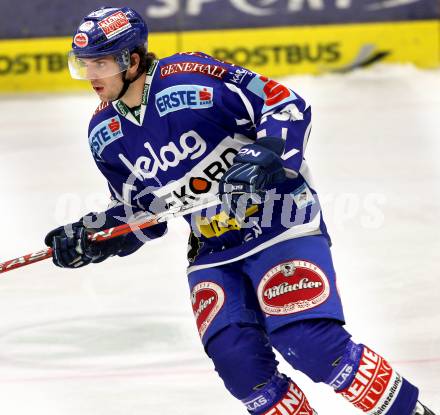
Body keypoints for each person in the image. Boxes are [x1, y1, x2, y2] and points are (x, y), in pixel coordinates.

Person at [44, 6, 435, 415]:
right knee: (240, 365)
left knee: (310, 342)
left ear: (133, 60)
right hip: (212, 249)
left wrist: (266, 151)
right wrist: (94, 236)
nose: (91, 76)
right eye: (84, 65)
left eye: (100, 64)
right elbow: (144, 213)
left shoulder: (190, 76)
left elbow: (283, 103)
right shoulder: (104, 135)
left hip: (280, 221)